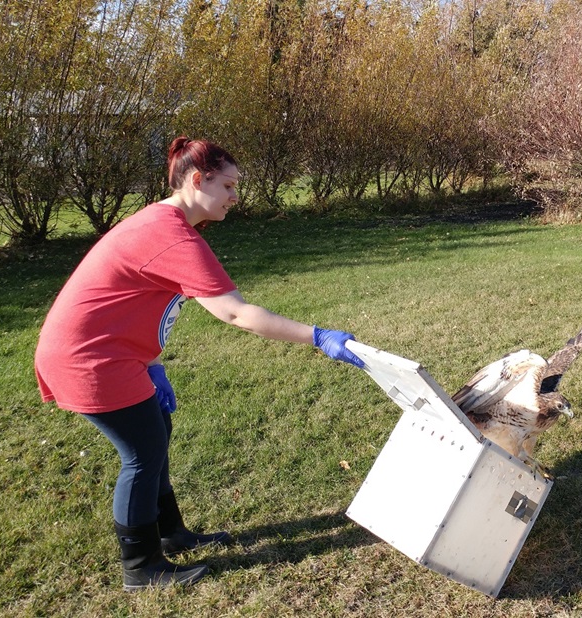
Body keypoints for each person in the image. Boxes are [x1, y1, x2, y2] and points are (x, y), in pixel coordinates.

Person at [34, 136, 364, 591]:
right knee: (142, 455)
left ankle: (171, 533)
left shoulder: (166, 223)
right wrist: (318, 337)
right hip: (89, 360)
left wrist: (150, 363)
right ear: (196, 180)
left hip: (113, 353)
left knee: (157, 435)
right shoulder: (168, 232)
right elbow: (235, 313)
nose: (234, 197)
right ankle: (141, 568)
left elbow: (126, 300)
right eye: (227, 185)